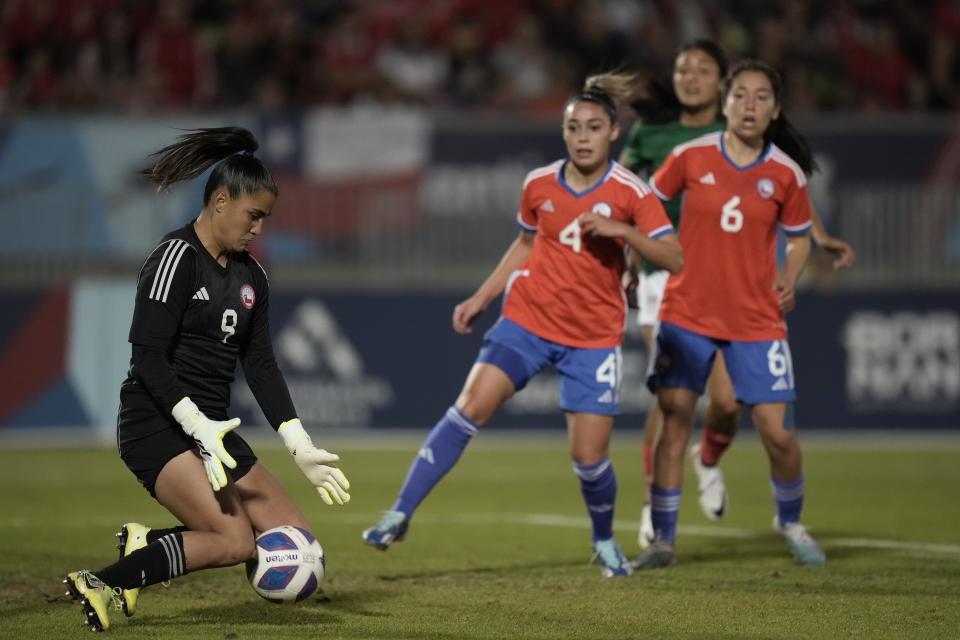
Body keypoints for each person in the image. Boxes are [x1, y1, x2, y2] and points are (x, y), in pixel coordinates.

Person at [361, 72, 683, 578]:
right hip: (527, 321)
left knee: (588, 458)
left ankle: (603, 541)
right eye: (574, 127)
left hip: (593, 339)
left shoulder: (631, 193)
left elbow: (674, 255)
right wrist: (482, 297)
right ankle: (398, 513)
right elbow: (526, 243)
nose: (582, 136)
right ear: (563, 132)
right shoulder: (538, 183)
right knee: (469, 407)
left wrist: (623, 231)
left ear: (613, 133)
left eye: (594, 127)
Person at [63, 127, 351, 632]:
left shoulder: (252, 277)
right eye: (253, 215)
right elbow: (147, 357)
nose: (259, 228)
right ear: (221, 201)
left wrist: (297, 441)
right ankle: (105, 581)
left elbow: (260, 364)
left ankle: (151, 544)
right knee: (236, 541)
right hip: (158, 424)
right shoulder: (175, 258)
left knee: (295, 543)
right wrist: (195, 424)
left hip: (214, 432)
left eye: (266, 218)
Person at [619, 41, 855, 550]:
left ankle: (719, 468)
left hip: (749, 307)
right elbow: (637, 197)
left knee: (732, 407)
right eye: (683, 67)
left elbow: (792, 217)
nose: (748, 105)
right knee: (671, 409)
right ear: (727, 101)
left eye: (760, 97)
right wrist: (636, 255)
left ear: (774, 109)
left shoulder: (781, 170)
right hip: (678, 282)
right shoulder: (665, 141)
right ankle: (656, 520)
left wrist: (805, 256)